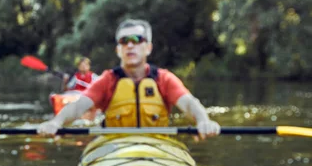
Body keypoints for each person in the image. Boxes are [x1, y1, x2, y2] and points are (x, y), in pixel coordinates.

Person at [38, 19, 220, 140]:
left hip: (156, 151)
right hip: (115, 151)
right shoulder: (108, 80)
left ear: (148, 47)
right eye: (124, 41)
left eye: (136, 39)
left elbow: (189, 104)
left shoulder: (163, 79)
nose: (130, 45)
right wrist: (56, 122)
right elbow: (78, 107)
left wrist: (203, 120)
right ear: (118, 50)